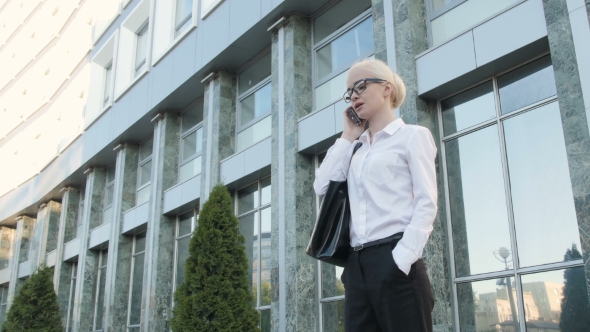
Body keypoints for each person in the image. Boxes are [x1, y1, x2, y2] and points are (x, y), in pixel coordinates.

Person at [313, 58, 437, 332]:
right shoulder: (355, 149)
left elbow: (427, 203)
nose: (354, 96)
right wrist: (348, 135)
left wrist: (402, 259)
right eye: (349, 92)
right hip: (356, 267)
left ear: (386, 88)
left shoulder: (412, 136)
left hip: (395, 257)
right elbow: (321, 187)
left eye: (360, 86)